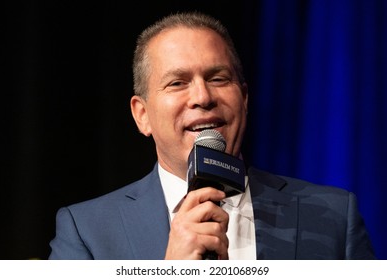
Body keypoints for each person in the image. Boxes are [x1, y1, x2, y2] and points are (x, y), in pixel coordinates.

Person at [49, 12, 375, 260]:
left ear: (244, 99)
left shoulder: (334, 216)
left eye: (218, 78)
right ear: (142, 115)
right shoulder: (86, 230)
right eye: (177, 83)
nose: (203, 97)